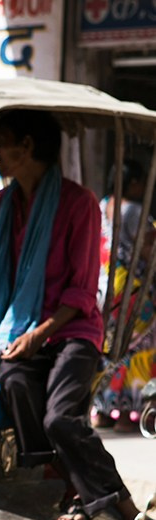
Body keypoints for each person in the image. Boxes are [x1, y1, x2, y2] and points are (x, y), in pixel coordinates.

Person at [0, 109, 154, 520]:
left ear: (26, 147)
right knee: (15, 379)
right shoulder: (0, 206)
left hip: (71, 333)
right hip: (15, 335)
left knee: (61, 417)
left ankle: (121, 509)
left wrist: (37, 335)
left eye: (2, 143)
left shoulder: (78, 204)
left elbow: (81, 292)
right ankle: (57, 485)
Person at [92, 158, 156, 432]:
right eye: (141, 182)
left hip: (106, 290)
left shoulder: (101, 205)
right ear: (132, 182)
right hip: (133, 291)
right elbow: (148, 253)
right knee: (140, 347)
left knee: (111, 348)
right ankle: (132, 410)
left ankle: (104, 410)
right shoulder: (135, 212)